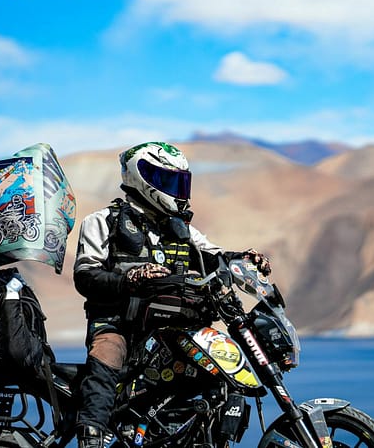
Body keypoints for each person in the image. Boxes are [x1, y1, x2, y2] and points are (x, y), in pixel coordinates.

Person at [72, 142, 270, 448]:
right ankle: (92, 434)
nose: (177, 190)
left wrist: (244, 259)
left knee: (215, 368)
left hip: (167, 327)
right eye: (169, 181)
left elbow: (214, 256)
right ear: (144, 179)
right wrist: (129, 278)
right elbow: (85, 277)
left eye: (181, 181)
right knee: (108, 352)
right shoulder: (102, 222)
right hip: (118, 322)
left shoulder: (182, 231)